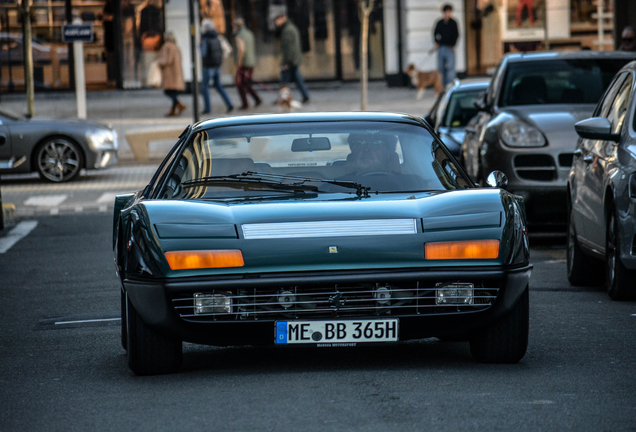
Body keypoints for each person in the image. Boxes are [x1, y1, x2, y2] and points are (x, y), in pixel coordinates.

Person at [200, 18, 234, 114]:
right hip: (217, 65)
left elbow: (203, 53)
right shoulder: (217, 37)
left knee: (204, 87)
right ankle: (229, 103)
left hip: (208, 65)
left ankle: (207, 108)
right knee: (218, 85)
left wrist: (199, 45)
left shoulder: (205, 39)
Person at [275, 13, 310, 104]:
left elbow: (288, 48)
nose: (276, 23)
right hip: (294, 59)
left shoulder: (287, 30)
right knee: (297, 79)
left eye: (277, 20)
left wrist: (286, 62)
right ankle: (305, 96)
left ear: (282, 19)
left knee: (284, 80)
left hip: (291, 60)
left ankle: (282, 98)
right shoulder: (290, 28)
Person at [233, 17, 262, 110]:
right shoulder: (249, 33)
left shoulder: (239, 35)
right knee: (247, 83)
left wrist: (239, 62)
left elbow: (241, 49)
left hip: (244, 63)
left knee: (240, 84)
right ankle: (257, 99)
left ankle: (245, 103)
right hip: (251, 62)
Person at [157, 31, 186, 117]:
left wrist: (157, 62)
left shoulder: (167, 46)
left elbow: (167, 60)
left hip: (170, 73)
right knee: (173, 91)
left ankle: (179, 105)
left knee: (167, 91)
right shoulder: (175, 46)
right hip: (176, 73)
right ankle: (173, 110)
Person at [433, 4, 459, 86]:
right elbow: (435, 33)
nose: (447, 14)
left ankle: (450, 84)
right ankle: (442, 85)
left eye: (449, 12)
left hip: (450, 47)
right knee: (441, 67)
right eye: (446, 12)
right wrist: (437, 42)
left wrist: (453, 44)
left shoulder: (453, 23)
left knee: (450, 67)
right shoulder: (440, 23)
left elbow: (456, 34)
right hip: (441, 47)